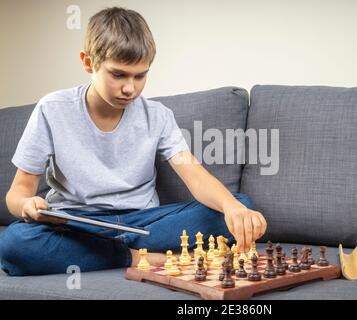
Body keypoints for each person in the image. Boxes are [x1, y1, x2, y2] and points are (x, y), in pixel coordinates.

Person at [0, 7, 266, 276]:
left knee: (240, 205)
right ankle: (139, 257)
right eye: (118, 75)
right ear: (88, 62)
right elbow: (17, 193)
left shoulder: (159, 116)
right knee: (15, 244)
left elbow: (194, 175)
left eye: (140, 76)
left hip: (145, 224)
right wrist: (27, 206)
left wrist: (233, 208)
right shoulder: (52, 109)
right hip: (79, 223)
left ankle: (110, 252)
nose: (130, 89)